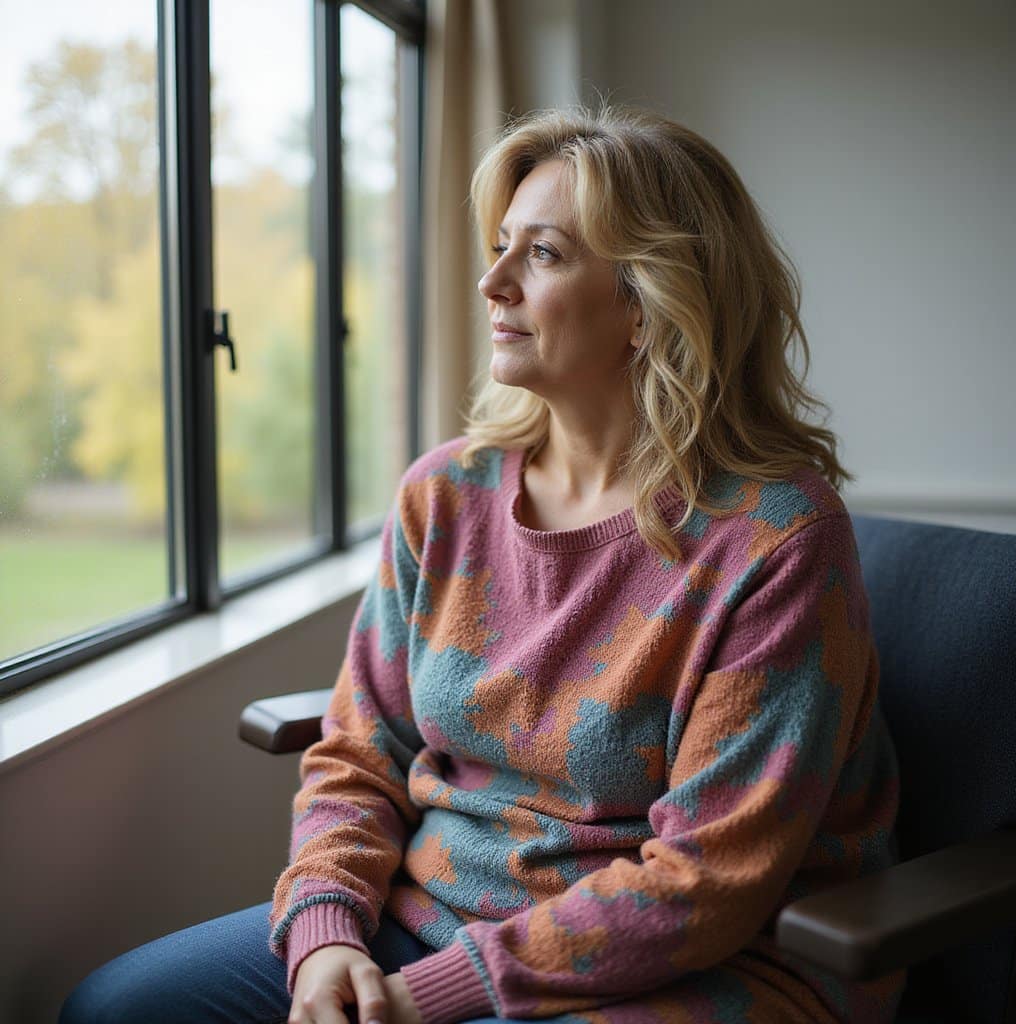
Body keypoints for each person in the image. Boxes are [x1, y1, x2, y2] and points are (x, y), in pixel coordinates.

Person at [61, 105, 902, 1024]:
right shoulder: (444, 495)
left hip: (697, 966)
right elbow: (358, 755)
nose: (491, 281)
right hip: (425, 923)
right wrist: (326, 937)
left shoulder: (777, 538)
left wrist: (423, 999)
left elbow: (711, 878)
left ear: (647, 302)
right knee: (117, 1009)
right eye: (501, 246)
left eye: (541, 254)